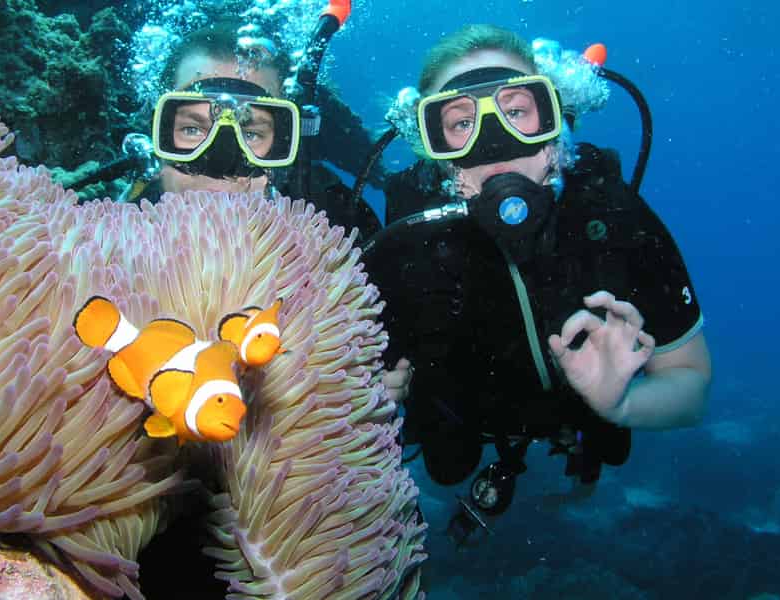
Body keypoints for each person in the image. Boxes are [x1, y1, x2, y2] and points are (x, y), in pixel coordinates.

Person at [367, 25, 711, 522]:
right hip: (463, 425)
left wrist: (624, 405)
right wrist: (375, 393)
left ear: (552, 122)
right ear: (432, 145)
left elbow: (692, 385)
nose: (495, 143)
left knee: (606, 445)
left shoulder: (612, 220)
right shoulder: (405, 246)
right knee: (445, 460)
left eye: (515, 112)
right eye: (462, 123)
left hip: (577, 425)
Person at [124, 16, 383, 241]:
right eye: (193, 130)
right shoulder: (114, 230)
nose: (220, 169)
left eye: (250, 134)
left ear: (285, 142)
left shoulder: (336, 223)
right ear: (157, 136)